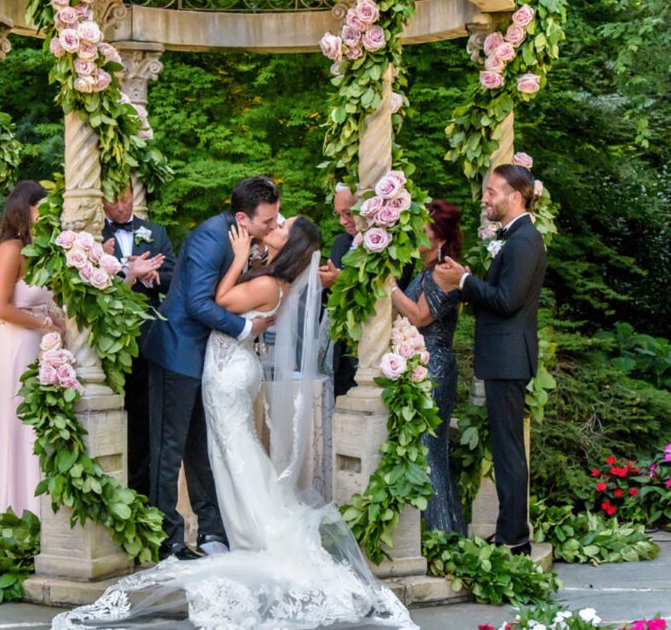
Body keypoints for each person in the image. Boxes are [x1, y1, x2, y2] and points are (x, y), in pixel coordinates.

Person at [53, 215, 416, 630]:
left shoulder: (267, 282)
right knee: (229, 447)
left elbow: (222, 300)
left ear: (291, 244)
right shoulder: (272, 277)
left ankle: (243, 530)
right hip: (231, 364)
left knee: (232, 446)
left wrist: (239, 257)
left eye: (283, 225)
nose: (275, 225)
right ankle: (223, 528)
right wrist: (246, 260)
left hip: (229, 370)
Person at [140, 175, 281, 561]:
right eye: (267, 221)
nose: (272, 227)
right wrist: (246, 327)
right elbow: (199, 304)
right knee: (169, 449)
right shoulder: (209, 238)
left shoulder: (242, 239)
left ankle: (210, 532)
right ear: (242, 217)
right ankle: (166, 539)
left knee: (201, 447)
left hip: (209, 360)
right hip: (178, 351)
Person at [434, 164, 546, 555]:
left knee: (509, 450)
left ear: (515, 196)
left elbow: (506, 300)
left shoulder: (524, 241)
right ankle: (507, 532)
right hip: (504, 357)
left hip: (508, 358)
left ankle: (514, 539)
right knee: (505, 448)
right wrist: (465, 279)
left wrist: (463, 282)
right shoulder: (515, 237)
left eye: (492, 192)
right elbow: (499, 292)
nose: (485, 199)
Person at [0, 180, 63, 538]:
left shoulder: (38, 251)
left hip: (42, 345)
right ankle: (15, 516)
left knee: (36, 430)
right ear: (24, 208)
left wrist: (55, 322)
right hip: (19, 346)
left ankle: (41, 518)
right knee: (20, 428)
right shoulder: (11, 248)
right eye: (40, 208)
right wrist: (43, 323)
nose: (46, 215)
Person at [389, 199, 468, 535]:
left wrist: (389, 287)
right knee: (425, 450)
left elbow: (421, 316)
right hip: (421, 365)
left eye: (421, 232)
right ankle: (436, 531)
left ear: (438, 240)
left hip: (434, 367)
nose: (414, 237)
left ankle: (443, 534)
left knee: (429, 450)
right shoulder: (423, 270)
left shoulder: (444, 271)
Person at [100, 181, 174, 497]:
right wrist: (124, 274)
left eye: (126, 198)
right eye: (114, 200)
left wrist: (152, 275)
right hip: (104, 341)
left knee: (144, 419)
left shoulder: (154, 231)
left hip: (146, 341)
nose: (121, 206)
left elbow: (173, 275)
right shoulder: (90, 236)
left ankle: (142, 492)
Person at [319, 183, 359, 396]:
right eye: (338, 214)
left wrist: (339, 280)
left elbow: (389, 290)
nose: (343, 221)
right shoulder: (340, 242)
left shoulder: (391, 245)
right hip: (338, 347)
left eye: (348, 213)